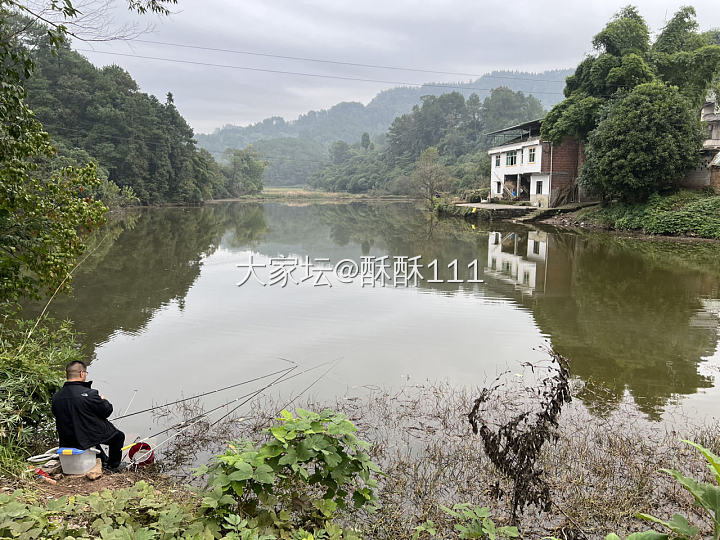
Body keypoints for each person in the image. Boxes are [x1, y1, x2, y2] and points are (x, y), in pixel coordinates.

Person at [51, 360, 126, 472]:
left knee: (92, 436)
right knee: (118, 437)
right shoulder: (90, 394)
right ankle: (113, 466)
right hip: (84, 437)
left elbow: (56, 413)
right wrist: (103, 401)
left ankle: (103, 460)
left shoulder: (56, 397)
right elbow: (107, 411)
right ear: (82, 373)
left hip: (66, 439)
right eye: (85, 373)